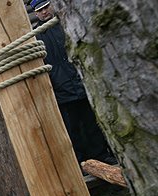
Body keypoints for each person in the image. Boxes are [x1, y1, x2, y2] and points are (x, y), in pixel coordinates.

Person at [32, 0, 116, 166]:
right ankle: (80, 162)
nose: (44, 12)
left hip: (82, 85)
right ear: (35, 13)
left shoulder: (67, 24)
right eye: (39, 10)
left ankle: (101, 155)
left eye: (46, 7)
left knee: (92, 124)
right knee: (72, 131)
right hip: (60, 90)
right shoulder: (36, 36)